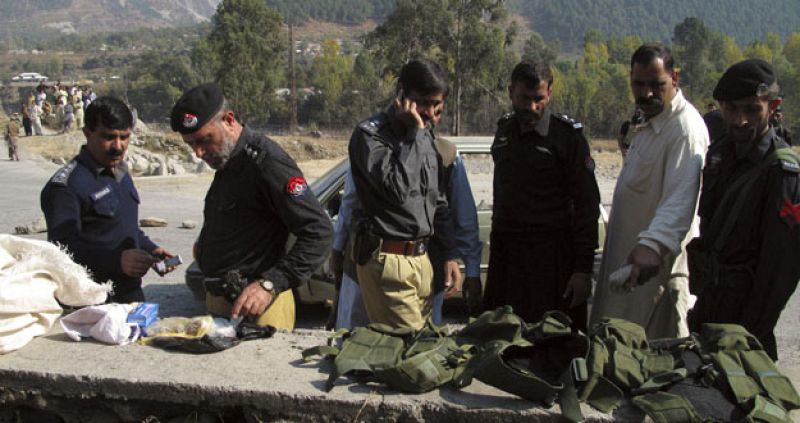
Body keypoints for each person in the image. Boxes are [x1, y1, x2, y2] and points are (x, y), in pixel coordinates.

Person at [171, 83, 333, 331]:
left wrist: (270, 284)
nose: (198, 153)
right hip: (223, 299)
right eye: (191, 144)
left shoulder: (266, 162)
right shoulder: (228, 161)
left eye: (204, 140)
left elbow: (319, 231)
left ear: (229, 120)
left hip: (260, 307)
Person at [590, 44, 709, 339]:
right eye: (639, 84)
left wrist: (654, 244)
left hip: (655, 275)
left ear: (674, 77)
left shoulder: (684, 129)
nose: (646, 93)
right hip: (628, 272)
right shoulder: (648, 122)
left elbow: (681, 198)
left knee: (658, 358)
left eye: (657, 85)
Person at [687, 59, 800, 361]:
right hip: (708, 308)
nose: (740, 120)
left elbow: (781, 268)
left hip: (745, 323)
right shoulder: (720, 155)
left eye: (752, 110)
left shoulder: (781, 171)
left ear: (773, 106)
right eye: (731, 109)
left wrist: (749, 335)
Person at [482, 60, 600, 330]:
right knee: (504, 340)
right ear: (511, 92)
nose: (532, 107)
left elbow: (587, 206)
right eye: (525, 98)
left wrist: (583, 270)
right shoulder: (505, 131)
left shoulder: (567, 138)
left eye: (539, 99)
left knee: (555, 342)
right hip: (508, 259)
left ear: (550, 94)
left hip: (553, 261)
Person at [333, 122, 481, 329]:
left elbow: (458, 214)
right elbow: (350, 204)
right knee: (359, 336)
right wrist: (338, 250)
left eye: (436, 109)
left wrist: (467, 267)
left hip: (426, 265)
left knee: (418, 337)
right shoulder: (372, 145)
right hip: (367, 257)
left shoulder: (446, 154)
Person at [347, 59, 461, 330]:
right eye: (422, 103)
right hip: (388, 260)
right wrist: (414, 136)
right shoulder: (371, 136)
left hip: (422, 260)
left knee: (421, 346)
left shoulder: (423, 135)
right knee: (409, 349)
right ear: (401, 93)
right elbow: (396, 190)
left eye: (436, 105)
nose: (430, 113)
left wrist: (449, 254)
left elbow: (437, 200)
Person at [40, 96, 175, 303]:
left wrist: (151, 250)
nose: (118, 146)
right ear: (87, 133)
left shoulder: (119, 171)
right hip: (90, 303)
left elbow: (124, 227)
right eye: (109, 137)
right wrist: (116, 261)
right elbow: (61, 253)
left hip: (129, 295)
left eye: (124, 137)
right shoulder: (66, 187)